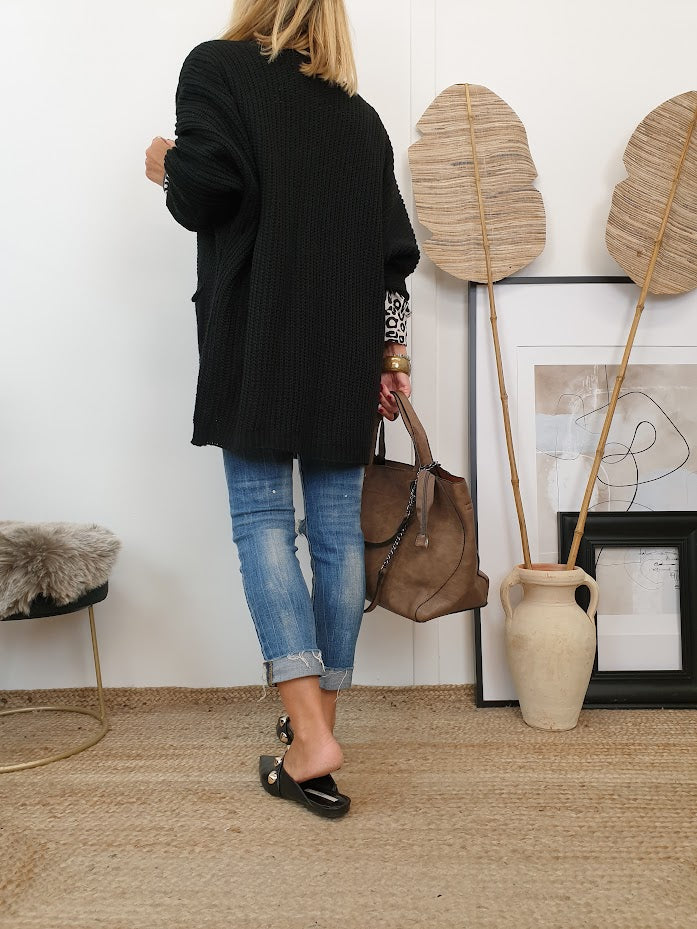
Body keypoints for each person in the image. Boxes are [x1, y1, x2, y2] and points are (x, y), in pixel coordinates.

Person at [144, 0, 419, 818]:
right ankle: (313, 731)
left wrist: (166, 163)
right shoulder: (359, 117)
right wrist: (391, 357)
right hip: (343, 352)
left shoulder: (216, 68)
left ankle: (312, 737)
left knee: (262, 523)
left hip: (258, 341)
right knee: (336, 535)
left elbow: (206, 190)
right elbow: (392, 257)